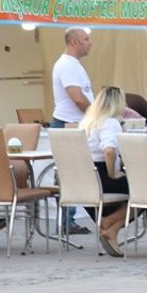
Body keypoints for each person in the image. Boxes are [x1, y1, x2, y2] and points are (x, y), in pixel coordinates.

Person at [78, 86, 130, 257]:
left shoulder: (87, 122)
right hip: (102, 177)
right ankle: (111, 224)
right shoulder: (110, 123)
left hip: (83, 180)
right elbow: (109, 150)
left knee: (139, 189)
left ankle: (108, 223)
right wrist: (112, 174)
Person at [52, 27, 94, 234]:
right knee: (70, 174)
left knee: (73, 174)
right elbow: (77, 97)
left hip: (74, 124)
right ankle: (65, 221)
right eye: (86, 39)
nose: (90, 42)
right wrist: (97, 116)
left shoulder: (72, 65)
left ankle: (68, 219)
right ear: (74, 42)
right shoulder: (67, 65)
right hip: (68, 124)